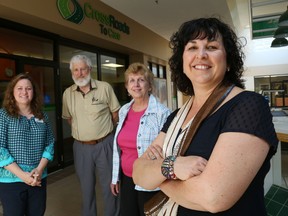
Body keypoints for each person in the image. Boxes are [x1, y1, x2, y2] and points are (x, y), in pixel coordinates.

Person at [133, 17, 278, 216]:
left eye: (211, 47)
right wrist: (173, 166)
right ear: (182, 62)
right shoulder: (176, 116)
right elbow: (138, 172)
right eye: (192, 47)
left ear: (228, 61)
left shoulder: (248, 106)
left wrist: (159, 174)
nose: (201, 55)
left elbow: (213, 198)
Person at [62, 54, 120, 216]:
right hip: (81, 148)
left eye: (83, 69)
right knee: (86, 189)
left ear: (90, 69)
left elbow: (115, 114)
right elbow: (70, 119)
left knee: (111, 186)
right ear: (72, 72)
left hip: (105, 144)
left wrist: (103, 132)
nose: (80, 73)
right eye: (76, 70)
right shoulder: (67, 94)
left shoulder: (104, 88)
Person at [110, 62, 171, 216]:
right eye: (132, 80)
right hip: (127, 178)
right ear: (127, 86)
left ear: (149, 85)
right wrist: (115, 177)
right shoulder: (124, 111)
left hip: (150, 180)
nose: (136, 85)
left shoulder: (162, 113)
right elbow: (119, 150)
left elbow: (168, 149)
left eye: (141, 80)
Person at [0, 73, 55, 216]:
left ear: (34, 92)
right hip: (11, 180)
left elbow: (49, 144)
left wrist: (39, 169)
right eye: (19, 88)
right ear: (12, 92)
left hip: (38, 178)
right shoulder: (4, 115)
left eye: (28, 88)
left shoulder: (42, 115)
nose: (24, 92)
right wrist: (23, 176)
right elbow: (1, 149)